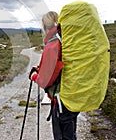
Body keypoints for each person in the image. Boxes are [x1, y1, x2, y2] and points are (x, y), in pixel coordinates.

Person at [29, 11, 79, 140]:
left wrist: (34, 76)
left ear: (45, 26)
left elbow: (45, 81)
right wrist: (40, 68)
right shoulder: (66, 40)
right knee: (71, 133)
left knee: (62, 136)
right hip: (73, 94)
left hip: (61, 99)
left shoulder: (52, 45)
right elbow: (59, 65)